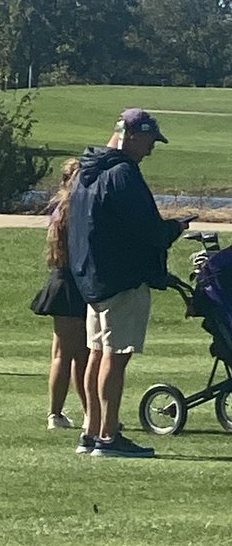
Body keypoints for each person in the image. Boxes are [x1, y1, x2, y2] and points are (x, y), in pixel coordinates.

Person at [67, 108, 192, 458]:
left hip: (92, 278)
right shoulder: (123, 173)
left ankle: (90, 431)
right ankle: (108, 435)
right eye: (150, 141)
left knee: (95, 354)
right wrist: (175, 228)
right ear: (133, 136)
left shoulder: (87, 172)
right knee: (115, 356)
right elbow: (148, 229)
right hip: (121, 278)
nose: (151, 149)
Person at [30, 159, 88, 431]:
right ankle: (88, 412)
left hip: (58, 280)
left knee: (61, 353)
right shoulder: (78, 210)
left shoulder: (57, 209)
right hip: (76, 284)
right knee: (82, 354)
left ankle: (58, 414)